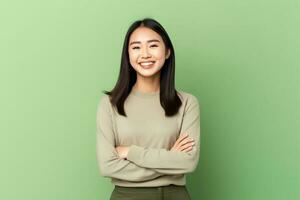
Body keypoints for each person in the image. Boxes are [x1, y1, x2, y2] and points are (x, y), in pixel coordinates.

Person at [96, 18, 200, 200]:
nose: (144, 54)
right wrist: (170, 161)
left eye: (153, 45)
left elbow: (188, 162)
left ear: (167, 51)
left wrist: (130, 152)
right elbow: (107, 166)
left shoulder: (187, 103)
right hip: (125, 196)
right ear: (128, 54)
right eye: (136, 47)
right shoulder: (109, 104)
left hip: (174, 196)